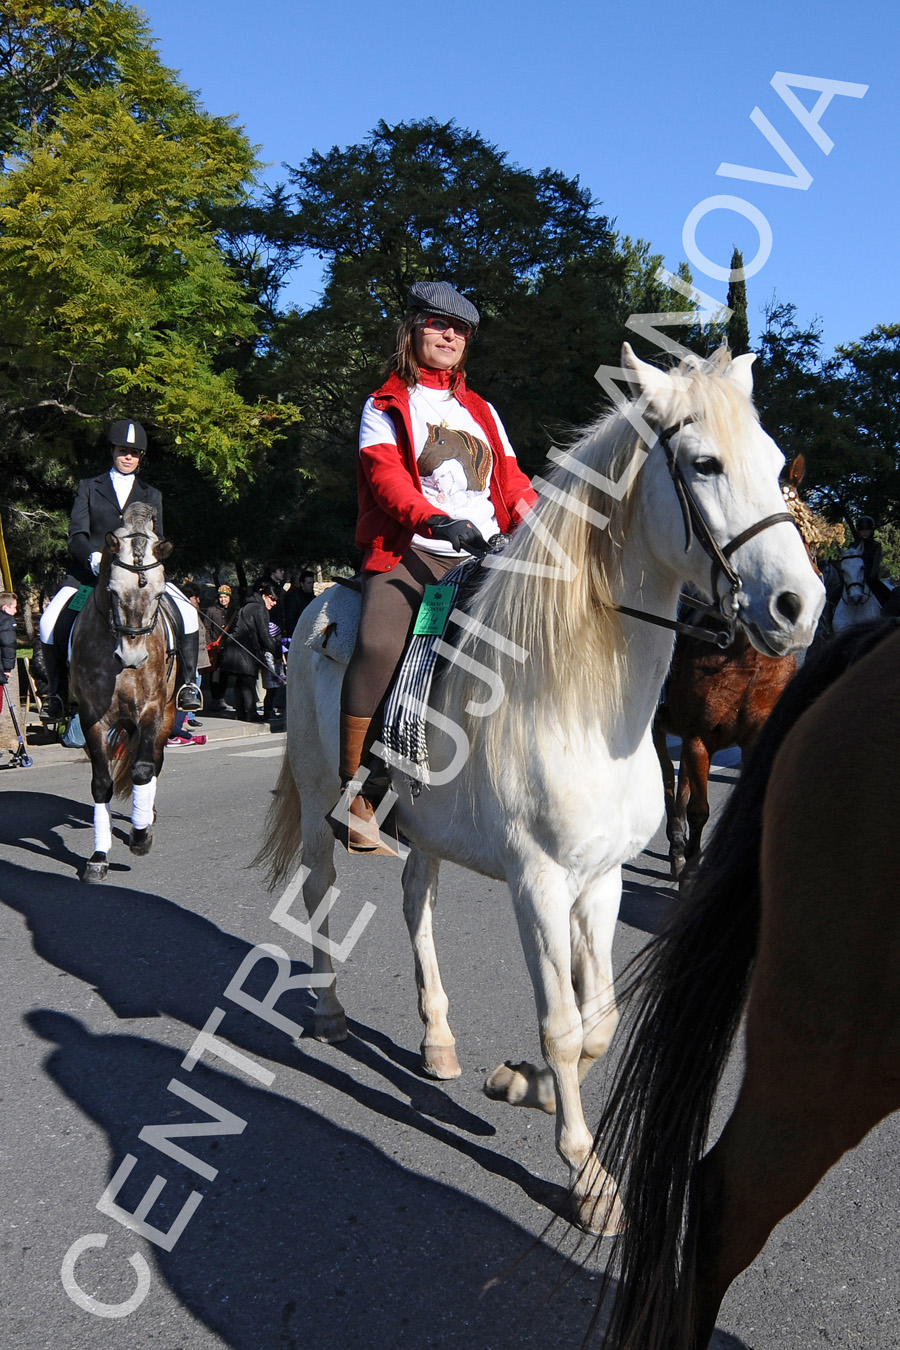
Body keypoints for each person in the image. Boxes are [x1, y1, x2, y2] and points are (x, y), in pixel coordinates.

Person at [332, 279, 537, 851]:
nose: (450, 335)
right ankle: (358, 793)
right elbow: (387, 479)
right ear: (412, 329)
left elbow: (512, 483)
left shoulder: (483, 411)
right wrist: (433, 519)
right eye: (438, 324)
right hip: (413, 551)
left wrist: (543, 524)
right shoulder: (385, 405)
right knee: (378, 643)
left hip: (486, 554)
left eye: (461, 330)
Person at [37, 419, 202, 720]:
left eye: (135, 453)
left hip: (138, 578)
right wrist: (94, 558)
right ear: (112, 451)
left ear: (141, 458)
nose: (129, 457)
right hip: (89, 578)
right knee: (50, 622)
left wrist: (156, 555)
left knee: (188, 614)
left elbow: (159, 536)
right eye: (123, 451)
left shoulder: (151, 494)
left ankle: (188, 685)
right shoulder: (90, 487)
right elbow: (77, 534)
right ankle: (57, 694)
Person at [218, 583, 283, 721]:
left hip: (235, 649)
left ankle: (241, 712)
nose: (274, 602)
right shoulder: (259, 609)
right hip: (245, 649)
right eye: (272, 599)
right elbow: (264, 634)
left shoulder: (249, 605)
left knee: (240, 682)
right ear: (264, 596)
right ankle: (251, 714)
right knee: (248, 681)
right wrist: (277, 652)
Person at [852, 516, 891, 608]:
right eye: (862, 530)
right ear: (859, 531)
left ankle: (887, 613)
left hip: (870, 578)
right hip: (854, 578)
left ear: (871, 531)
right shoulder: (853, 545)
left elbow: (875, 564)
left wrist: (870, 576)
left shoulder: (876, 546)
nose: (864, 532)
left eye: (867, 530)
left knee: (887, 595)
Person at [0, 591, 19, 761]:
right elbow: (8, 645)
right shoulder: (6, 621)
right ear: (6, 607)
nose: (15, 611)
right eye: (14, 608)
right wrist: (7, 669)